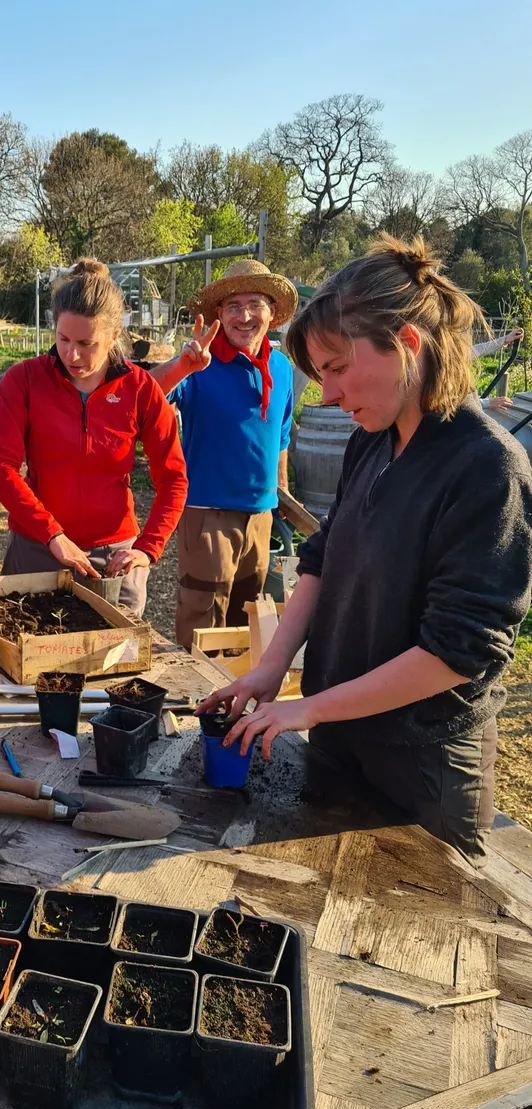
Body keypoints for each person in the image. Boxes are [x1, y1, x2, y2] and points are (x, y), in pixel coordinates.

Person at [197, 235, 532, 863]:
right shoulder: (372, 441)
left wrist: (312, 707)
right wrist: (272, 671)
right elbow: (322, 561)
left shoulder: (487, 469)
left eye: (337, 368)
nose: (325, 394)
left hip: (423, 765)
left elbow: (456, 654)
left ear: (405, 344)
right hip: (337, 736)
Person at [0, 259, 187, 615]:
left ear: (112, 338)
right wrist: (52, 535)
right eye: (63, 339)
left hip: (113, 557)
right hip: (37, 548)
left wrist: (147, 548)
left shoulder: (140, 389)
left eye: (87, 343)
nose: (71, 355)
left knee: (116, 662)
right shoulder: (23, 380)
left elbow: (173, 479)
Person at [150, 260, 299, 648]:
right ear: (219, 314)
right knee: (203, 620)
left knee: (247, 621)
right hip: (207, 512)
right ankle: (195, 703)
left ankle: (235, 705)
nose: (244, 316)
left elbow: (281, 434)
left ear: (271, 313)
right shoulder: (201, 364)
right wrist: (182, 365)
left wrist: (280, 493)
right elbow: (145, 398)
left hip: (261, 515)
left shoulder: (280, 367)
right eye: (233, 306)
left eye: (255, 304)